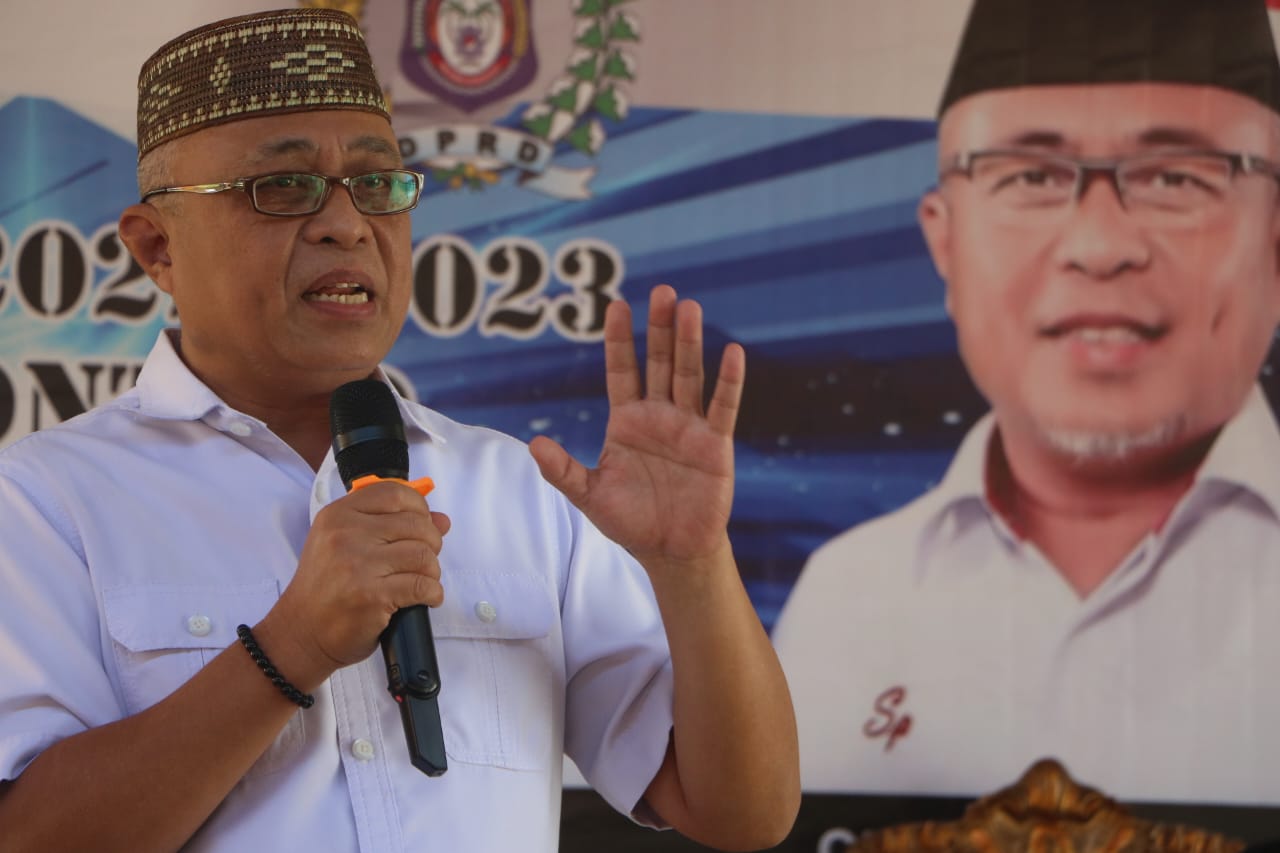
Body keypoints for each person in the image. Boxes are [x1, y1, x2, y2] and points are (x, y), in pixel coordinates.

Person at [0, 9, 799, 851]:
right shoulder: (46, 500)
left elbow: (741, 813)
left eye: (377, 184)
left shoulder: (519, 488)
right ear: (156, 246)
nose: (347, 224)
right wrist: (292, 645)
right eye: (285, 187)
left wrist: (692, 570)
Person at [773, 0, 1280, 805]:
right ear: (944, 239)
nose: (1100, 247)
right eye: (1031, 177)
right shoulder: (849, 593)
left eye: (1176, 177)